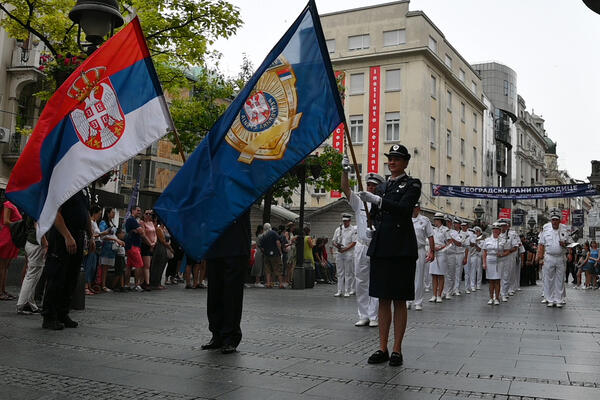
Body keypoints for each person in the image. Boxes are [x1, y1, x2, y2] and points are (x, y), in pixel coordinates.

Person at [357, 144, 421, 367]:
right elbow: (375, 214)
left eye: (397, 158)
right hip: (382, 246)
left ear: (405, 162)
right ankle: (382, 347)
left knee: (399, 299)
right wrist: (370, 227)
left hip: (401, 247)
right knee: (382, 297)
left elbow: (403, 209)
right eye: (390, 158)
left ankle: (397, 349)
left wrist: (378, 200)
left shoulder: (412, 184)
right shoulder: (383, 186)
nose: (392, 162)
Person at [42, 188, 93, 330]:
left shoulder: (83, 189)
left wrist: (91, 236)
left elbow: (87, 214)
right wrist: (67, 236)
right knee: (57, 276)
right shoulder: (65, 183)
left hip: (78, 235)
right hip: (62, 236)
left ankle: (62, 313)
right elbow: (55, 213)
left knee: (71, 277)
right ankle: (49, 316)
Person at [341, 158, 383, 326]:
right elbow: (345, 189)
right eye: (369, 185)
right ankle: (363, 314)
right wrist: (345, 171)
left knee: (376, 281)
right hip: (361, 246)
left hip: (377, 246)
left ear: (379, 187)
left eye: (374, 186)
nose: (370, 188)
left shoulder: (382, 203)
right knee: (361, 281)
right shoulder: (360, 201)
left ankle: (374, 316)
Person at [201, 211, 250, 354]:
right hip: (215, 245)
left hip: (236, 246)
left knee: (232, 295)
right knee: (214, 294)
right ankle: (216, 334)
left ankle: (230, 337)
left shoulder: (241, 190)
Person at [537, 209, 572, 307]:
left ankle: (559, 299)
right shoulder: (546, 229)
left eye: (556, 220)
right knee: (549, 279)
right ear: (551, 221)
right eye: (553, 220)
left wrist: (565, 245)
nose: (554, 222)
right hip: (549, 257)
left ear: (559, 220)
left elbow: (570, 244)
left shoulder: (564, 229)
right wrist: (540, 258)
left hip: (560, 257)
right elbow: (541, 245)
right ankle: (550, 299)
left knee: (560, 279)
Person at [16, 221, 47, 314]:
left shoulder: (32, 209)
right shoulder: (38, 209)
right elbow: (37, 224)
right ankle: (22, 304)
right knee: (31, 276)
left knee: (33, 276)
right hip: (36, 244)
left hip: (33, 243)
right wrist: (45, 242)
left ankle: (29, 304)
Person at [409, 203, 434, 311]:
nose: (415, 209)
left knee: (419, 277)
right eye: (413, 207)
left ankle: (418, 301)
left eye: (416, 207)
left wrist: (432, 251)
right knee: (408, 277)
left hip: (420, 249)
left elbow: (430, 236)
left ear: (419, 208)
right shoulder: (405, 218)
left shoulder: (425, 220)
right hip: (407, 250)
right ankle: (407, 300)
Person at [0, 200, 22, 300]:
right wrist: (20, 224)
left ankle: (3, 290)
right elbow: (6, 221)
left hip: (12, 236)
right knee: (3, 266)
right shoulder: (8, 204)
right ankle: (1, 292)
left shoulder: (14, 205)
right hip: (7, 236)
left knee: (6, 266)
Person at [332, 213, 357, 297]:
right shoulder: (338, 229)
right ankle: (339, 290)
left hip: (348, 253)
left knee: (348, 273)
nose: (345, 223)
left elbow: (354, 242)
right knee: (339, 273)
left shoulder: (353, 229)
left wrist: (345, 249)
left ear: (350, 221)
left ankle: (347, 290)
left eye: (346, 221)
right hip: (339, 252)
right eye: (344, 221)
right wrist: (337, 246)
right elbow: (333, 241)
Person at [98, 207, 123, 292]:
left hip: (111, 247)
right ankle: (103, 285)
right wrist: (115, 239)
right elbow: (102, 235)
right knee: (104, 267)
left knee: (107, 267)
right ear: (108, 213)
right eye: (112, 212)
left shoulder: (111, 222)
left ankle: (103, 284)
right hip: (106, 247)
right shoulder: (103, 222)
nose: (114, 214)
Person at [429, 213, 449, 303]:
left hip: (441, 253)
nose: (435, 222)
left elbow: (450, 243)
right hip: (434, 252)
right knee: (434, 274)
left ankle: (439, 295)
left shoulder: (445, 230)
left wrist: (441, 248)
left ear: (440, 220)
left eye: (436, 220)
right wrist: (432, 248)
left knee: (440, 274)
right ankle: (434, 295)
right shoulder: (432, 229)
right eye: (434, 220)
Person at [482, 222, 505, 305]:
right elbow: (484, 252)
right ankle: (491, 297)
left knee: (497, 280)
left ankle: (497, 298)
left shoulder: (503, 240)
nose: (495, 231)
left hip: (499, 261)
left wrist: (502, 254)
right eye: (494, 229)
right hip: (489, 260)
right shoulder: (487, 240)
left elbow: (507, 251)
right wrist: (484, 263)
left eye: (497, 229)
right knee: (491, 280)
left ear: (499, 231)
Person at [125, 206, 146, 291]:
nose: (139, 212)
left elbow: (139, 231)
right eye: (138, 210)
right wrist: (141, 227)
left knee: (129, 266)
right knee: (139, 265)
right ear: (133, 210)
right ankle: (137, 284)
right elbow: (142, 232)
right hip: (133, 246)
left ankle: (127, 284)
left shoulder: (132, 220)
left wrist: (138, 230)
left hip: (132, 245)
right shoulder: (132, 220)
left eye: (140, 211)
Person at [83, 205, 102, 295]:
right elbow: (91, 234)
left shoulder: (95, 222)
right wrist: (103, 233)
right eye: (99, 214)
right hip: (90, 245)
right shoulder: (90, 222)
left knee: (93, 267)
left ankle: (89, 285)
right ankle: (86, 286)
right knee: (89, 265)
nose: (99, 216)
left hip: (96, 245)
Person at [259, 223, 284, 289]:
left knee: (268, 270)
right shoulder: (273, 233)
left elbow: (261, 247)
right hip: (275, 254)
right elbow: (278, 242)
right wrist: (280, 252)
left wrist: (265, 252)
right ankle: (281, 284)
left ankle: (268, 283)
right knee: (278, 268)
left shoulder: (263, 236)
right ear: (270, 227)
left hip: (266, 255)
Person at [140, 209, 156, 290]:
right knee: (147, 265)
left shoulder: (151, 223)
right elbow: (143, 235)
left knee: (148, 265)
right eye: (147, 214)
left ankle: (144, 281)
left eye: (150, 214)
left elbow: (155, 234)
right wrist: (150, 244)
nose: (149, 215)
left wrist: (154, 243)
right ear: (144, 214)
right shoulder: (142, 223)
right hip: (146, 245)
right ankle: (147, 283)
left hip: (152, 245)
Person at [469, 226, 483, 291]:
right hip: (472, 256)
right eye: (475, 231)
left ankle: (478, 285)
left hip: (479, 256)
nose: (476, 233)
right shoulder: (472, 238)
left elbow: (479, 249)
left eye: (478, 231)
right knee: (473, 271)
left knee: (479, 271)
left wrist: (475, 243)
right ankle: (472, 285)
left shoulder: (482, 240)